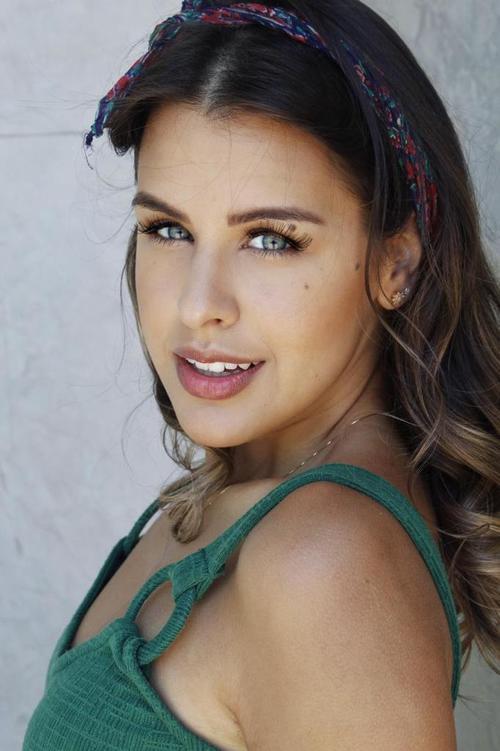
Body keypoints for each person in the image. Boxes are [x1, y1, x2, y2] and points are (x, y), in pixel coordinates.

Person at [23, 1, 499, 749]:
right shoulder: (248, 501)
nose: (198, 305)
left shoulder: (323, 562)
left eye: (271, 239)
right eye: (168, 229)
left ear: (396, 264)